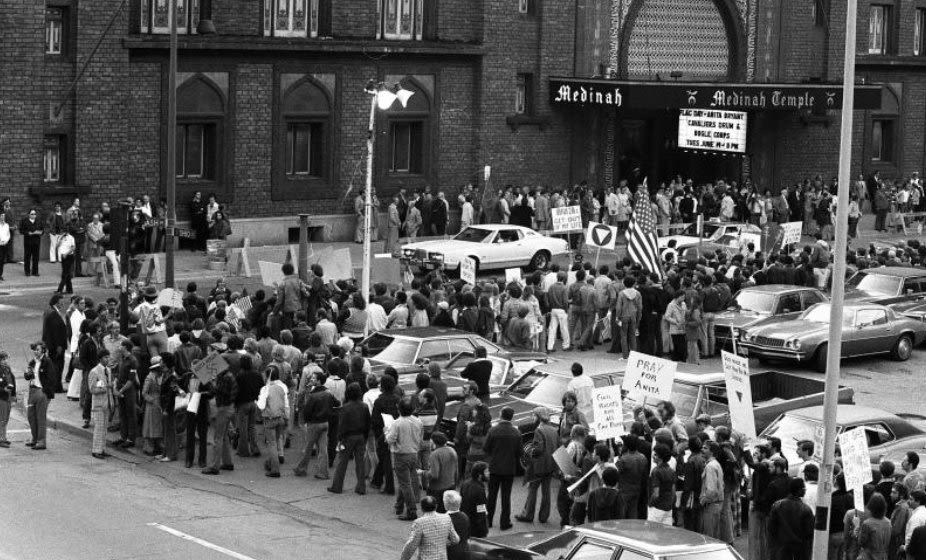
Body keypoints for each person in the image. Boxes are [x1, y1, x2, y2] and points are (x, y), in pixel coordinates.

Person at [516, 407, 558, 524]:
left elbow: (538, 449)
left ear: (539, 417)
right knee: (546, 491)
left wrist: (530, 451)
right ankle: (543, 517)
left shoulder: (539, 430)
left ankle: (528, 514)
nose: (532, 418)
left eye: (534, 415)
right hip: (550, 464)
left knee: (533, 489)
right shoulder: (553, 429)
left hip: (539, 465)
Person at [328, 382, 371, 494]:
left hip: (348, 437)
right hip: (361, 436)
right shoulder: (364, 406)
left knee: (342, 462)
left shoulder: (345, 408)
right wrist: (365, 437)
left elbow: (341, 426)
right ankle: (361, 487)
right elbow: (367, 424)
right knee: (360, 462)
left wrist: (339, 439)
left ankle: (337, 486)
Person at [485, 406, 522, 531]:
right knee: (506, 496)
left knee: (491, 496)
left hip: (495, 467)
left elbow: (486, 448)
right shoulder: (516, 432)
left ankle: (488, 520)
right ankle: (505, 522)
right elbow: (520, 453)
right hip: (509, 469)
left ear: (501, 415)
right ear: (511, 417)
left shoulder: (493, 430)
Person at [390, 396, 424, 521]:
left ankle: (411, 510)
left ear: (399, 410)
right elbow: (420, 437)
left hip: (401, 455)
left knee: (405, 483)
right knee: (405, 481)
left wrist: (386, 433)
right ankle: (399, 505)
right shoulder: (418, 421)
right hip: (414, 453)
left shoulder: (397, 423)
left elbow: (390, 439)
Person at [767, 478, 815, 560]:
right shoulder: (806, 509)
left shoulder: (777, 505)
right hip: (799, 549)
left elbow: (771, 528)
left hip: (781, 547)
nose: (805, 491)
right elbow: (809, 532)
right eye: (804, 489)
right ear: (799, 490)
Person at [399, 496, 459, 560]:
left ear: (422, 508)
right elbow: (455, 540)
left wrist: (404, 558)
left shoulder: (419, 523)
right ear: (436, 506)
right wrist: (443, 543)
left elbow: (412, 545)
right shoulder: (446, 518)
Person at [202, 366, 238, 475]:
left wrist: (211, 385)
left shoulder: (225, 378)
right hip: (229, 407)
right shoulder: (229, 375)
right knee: (224, 436)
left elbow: (218, 391)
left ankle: (214, 466)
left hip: (223, 408)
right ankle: (227, 462)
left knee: (218, 437)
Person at [258, 364, 289, 478]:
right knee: (275, 442)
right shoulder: (282, 387)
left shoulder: (265, 389)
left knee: (271, 444)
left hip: (269, 419)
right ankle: (269, 462)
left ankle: (275, 469)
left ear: (267, 376)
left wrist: (259, 400)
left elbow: (261, 406)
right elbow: (286, 405)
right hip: (280, 418)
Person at [24, 342, 55, 450]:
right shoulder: (32, 362)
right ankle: (34, 438)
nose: (36, 351)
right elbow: (27, 377)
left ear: (43, 351)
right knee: (31, 416)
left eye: (38, 349)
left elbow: (52, 378)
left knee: (40, 417)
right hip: (32, 391)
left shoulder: (47, 362)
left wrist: (45, 392)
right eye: (35, 350)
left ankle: (41, 441)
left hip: (41, 391)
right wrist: (27, 373)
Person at [87, 349, 113, 459]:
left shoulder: (109, 370)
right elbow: (92, 389)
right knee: (99, 427)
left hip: (107, 402)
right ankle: (96, 450)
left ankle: (102, 449)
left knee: (104, 427)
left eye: (108, 357)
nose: (107, 359)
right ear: (100, 358)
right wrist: (106, 387)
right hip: (98, 404)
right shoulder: (94, 372)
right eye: (105, 357)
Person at [425, 432, 458, 511]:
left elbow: (434, 475)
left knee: (436, 513)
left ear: (434, 442)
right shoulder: (452, 450)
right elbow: (456, 470)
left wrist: (423, 473)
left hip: (437, 489)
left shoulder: (435, 454)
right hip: (450, 485)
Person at [858, 493, 891, 560]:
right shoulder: (888, 522)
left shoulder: (867, 523)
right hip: (883, 556)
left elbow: (861, 542)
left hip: (869, 556)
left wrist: (857, 531)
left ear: (871, 507)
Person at [460, 461, 489, 538]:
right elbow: (481, 510)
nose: (489, 473)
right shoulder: (479, 490)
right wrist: (484, 530)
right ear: (480, 475)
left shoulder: (465, 483)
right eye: (486, 471)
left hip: (465, 522)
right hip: (476, 527)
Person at [444, 490, 470, 560]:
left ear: (445, 505)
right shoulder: (465, 516)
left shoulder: (444, 519)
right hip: (465, 550)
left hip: (450, 553)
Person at [20, 208, 43, 277]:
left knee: (36, 258)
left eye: (35, 214)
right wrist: (27, 233)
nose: (33, 215)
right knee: (27, 257)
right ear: (29, 215)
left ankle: (35, 271)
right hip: (28, 242)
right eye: (32, 214)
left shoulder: (39, 221)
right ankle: (27, 271)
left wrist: (39, 232)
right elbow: (21, 230)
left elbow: (42, 230)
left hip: (36, 242)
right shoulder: (25, 221)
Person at [0, 212, 10, 281]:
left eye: (4, 216)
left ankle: (0, 275)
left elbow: (8, 235)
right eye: (1, 216)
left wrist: (5, 241)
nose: (3, 217)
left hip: (4, 245)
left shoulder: (7, 225)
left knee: (2, 260)